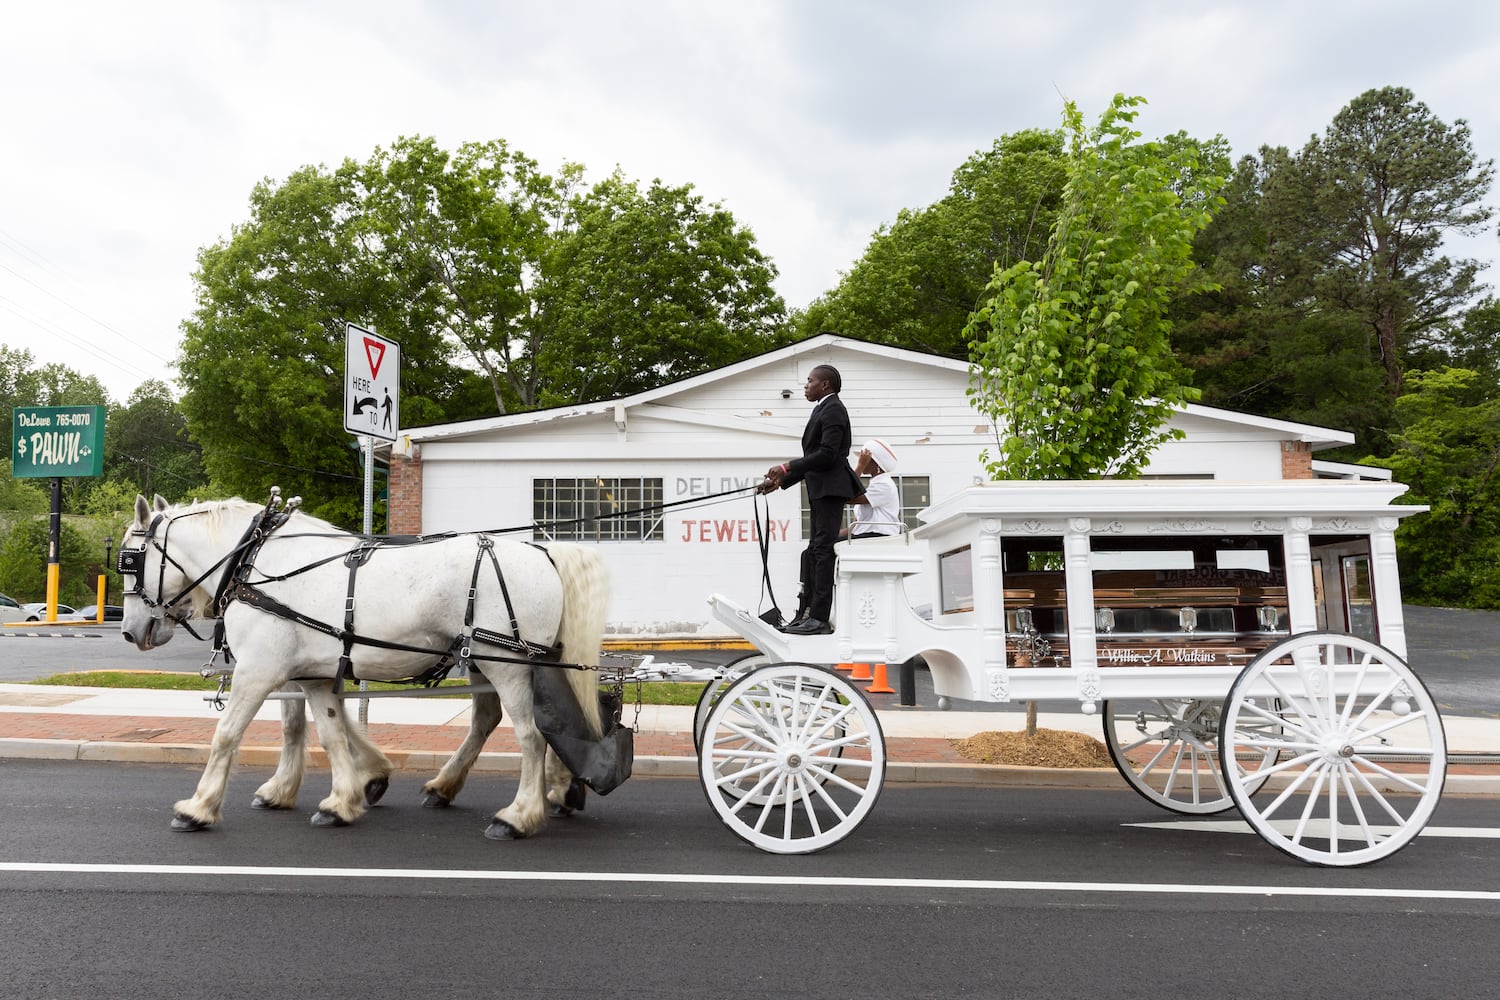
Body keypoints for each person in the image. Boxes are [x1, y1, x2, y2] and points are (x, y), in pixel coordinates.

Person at [758, 364, 858, 635]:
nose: (806, 385)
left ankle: (819, 618)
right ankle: (808, 613)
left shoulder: (834, 408)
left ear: (824, 385)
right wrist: (781, 483)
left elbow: (827, 455)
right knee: (815, 550)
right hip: (820, 487)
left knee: (824, 550)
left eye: (810, 381)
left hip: (830, 488)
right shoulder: (821, 408)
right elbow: (817, 459)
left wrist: (786, 467)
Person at [844, 438, 902, 540]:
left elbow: (848, 496)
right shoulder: (875, 484)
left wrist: (860, 467)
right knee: (826, 544)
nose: (860, 461)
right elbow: (856, 526)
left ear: (876, 463)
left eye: (864, 459)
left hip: (878, 535)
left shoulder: (884, 485)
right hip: (866, 535)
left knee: (827, 549)